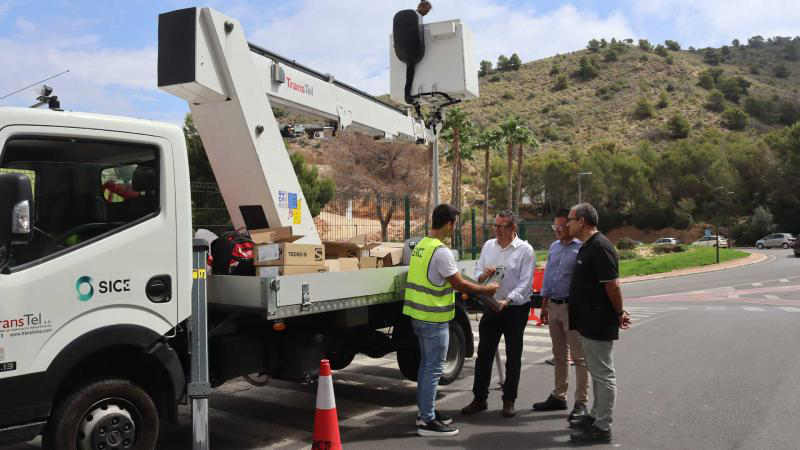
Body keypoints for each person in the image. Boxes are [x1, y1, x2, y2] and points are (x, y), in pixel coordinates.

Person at [404, 203, 498, 437]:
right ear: (449, 223)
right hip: (434, 319)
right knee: (433, 369)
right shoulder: (441, 251)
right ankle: (427, 420)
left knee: (426, 367)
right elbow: (458, 283)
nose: (454, 228)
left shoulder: (421, 245)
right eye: (455, 224)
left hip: (419, 316)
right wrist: (485, 290)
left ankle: (426, 412)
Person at [565, 203, 631, 444]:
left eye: (570, 219)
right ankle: (595, 415)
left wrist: (620, 312)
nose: (567, 224)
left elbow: (612, 285)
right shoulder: (587, 246)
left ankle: (603, 428)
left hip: (598, 321)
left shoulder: (600, 247)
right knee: (596, 372)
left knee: (603, 374)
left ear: (581, 221)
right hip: (587, 322)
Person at [461, 210, 535, 418]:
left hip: (515, 308)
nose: (498, 230)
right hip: (492, 305)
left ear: (514, 228)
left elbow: (526, 283)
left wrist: (508, 300)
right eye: (496, 226)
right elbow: (477, 271)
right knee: (484, 353)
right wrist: (482, 275)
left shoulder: (525, 250)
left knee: (513, 356)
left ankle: (509, 399)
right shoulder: (488, 246)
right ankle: (479, 398)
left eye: (503, 227)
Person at [532, 209, 590, 421]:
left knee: (579, 357)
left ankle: (581, 402)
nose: (557, 230)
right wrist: (544, 305)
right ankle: (559, 396)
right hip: (553, 306)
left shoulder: (582, 249)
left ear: (572, 225)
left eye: (561, 226)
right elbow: (548, 278)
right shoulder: (554, 247)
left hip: (572, 308)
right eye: (554, 227)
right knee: (559, 355)